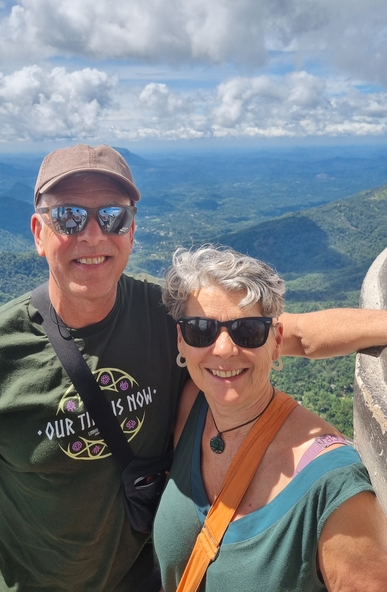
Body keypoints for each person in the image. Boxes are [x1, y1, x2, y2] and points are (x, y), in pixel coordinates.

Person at [0, 144, 387, 592]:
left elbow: (291, 334)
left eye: (113, 216)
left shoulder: (173, 320)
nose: (93, 234)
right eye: (69, 217)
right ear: (40, 234)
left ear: (132, 232)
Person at [154, 246, 387, 592]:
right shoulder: (192, 408)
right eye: (200, 329)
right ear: (181, 341)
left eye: (247, 331)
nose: (223, 349)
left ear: (276, 342)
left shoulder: (334, 489)